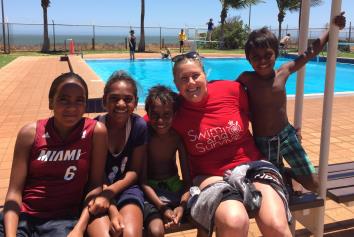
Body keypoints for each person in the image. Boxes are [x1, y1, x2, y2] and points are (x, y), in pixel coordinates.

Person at [171, 52, 292, 237]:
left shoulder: (231, 90)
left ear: (205, 75)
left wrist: (287, 129)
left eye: (195, 75)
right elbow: (143, 126)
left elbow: (263, 110)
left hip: (253, 166)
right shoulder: (173, 109)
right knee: (234, 222)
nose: (191, 82)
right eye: (184, 78)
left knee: (276, 226)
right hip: (210, 175)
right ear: (176, 83)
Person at [237, 12, 346, 193]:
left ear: (276, 54)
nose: (262, 61)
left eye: (268, 55)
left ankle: (288, 173)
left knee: (314, 184)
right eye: (255, 57)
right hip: (262, 142)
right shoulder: (246, 79)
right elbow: (225, 96)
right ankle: (285, 173)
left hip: (287, 136)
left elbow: (310, 52)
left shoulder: (284, 71)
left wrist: (332, 29)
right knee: (274, 187)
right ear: (248, 59)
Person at [0, 72, 109, 237]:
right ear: (51, 102)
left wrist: (79, 228)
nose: (71, 108)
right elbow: (15, 192)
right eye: (64, 99)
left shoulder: (95, 132)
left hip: (62, 220)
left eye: (79, 100)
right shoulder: (30, 133)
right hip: (24, 216)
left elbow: (95, 186)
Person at [87, 70, 147, 237]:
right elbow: (96, 176)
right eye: (114, 98)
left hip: (127, 188)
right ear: (104, 101)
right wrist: (112, 208)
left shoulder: (138, 126)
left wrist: (110, 194)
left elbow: (134, 171)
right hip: (97, 188)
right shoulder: (95, 128)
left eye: (128, 99)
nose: (121, 104)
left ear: (135, 103)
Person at [142, 85, 191, 237]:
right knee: (156, 231)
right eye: (155, 115)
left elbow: (187, 181)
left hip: (174, 188)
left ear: (174, 114)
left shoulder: (177, 138)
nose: (160, 120)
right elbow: (142, 181)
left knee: (204, 215)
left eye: (166, 114)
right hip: (150, 192)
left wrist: (182, 206)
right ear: (148, 113)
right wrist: (162, 208)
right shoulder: (144, 137)